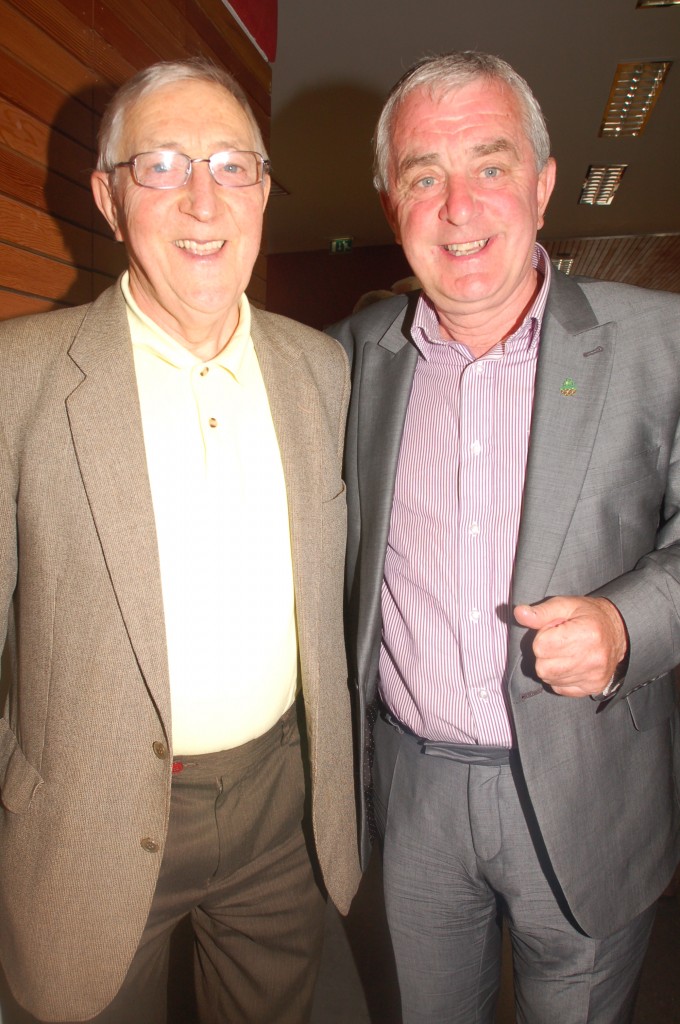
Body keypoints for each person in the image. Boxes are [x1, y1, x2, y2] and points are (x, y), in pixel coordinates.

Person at [0, 58, 360, 1024]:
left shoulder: (321, 370)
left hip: (279, 809)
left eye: (234, 166)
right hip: (86, 820)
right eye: (161, 164)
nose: (205, 198)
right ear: (109, 200)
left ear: (265, 192)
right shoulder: (17, 380)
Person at [329, 50, 680, 1024]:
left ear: (541, 180)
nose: (456, 206)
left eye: (487, 165)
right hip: (412, 795)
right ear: (389, 200)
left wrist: (625, 624)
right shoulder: (349, 358)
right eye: (420, 176)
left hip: (587, 786)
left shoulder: (659, 342)